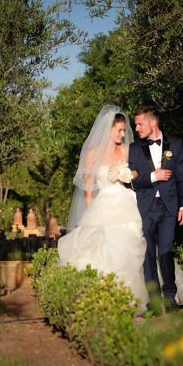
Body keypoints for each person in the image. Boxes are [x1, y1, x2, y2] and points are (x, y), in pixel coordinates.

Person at [57, 105, 150, 308]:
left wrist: (125, 175)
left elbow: (139, 172)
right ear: (108, 129)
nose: (123, 134)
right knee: (101, 248)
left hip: (126, 203)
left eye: (124, 130)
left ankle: (131, 296)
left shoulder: (126, 150)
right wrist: (91, 218)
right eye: (119, 130)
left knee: (130, 245)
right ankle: (101, 296)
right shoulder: (92, 154)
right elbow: (88, 192)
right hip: (103, 206)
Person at [129, 106, 183, 307]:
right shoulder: (133, 148)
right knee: (148, 253)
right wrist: (152, 176)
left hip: (169, 207)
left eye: (140, 124)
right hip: (146, 207)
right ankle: (154, 300)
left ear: (153, 123)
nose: (137, 128)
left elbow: (182, 179)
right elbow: (131, 181)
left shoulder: (175, 144)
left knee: (166, 250)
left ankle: (170, 296)